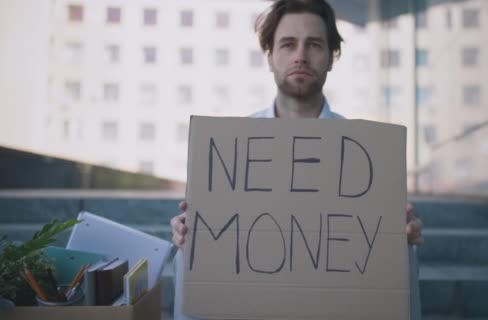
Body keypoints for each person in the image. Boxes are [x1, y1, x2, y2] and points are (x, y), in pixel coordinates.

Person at [170, 0, 423, 319]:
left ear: (332, 57)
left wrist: (402, 245)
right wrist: (189, 240)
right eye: (288, 44)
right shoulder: (228, 149)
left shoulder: (368, 157)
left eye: (314, 44)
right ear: (270, 57)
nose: (300, 55)